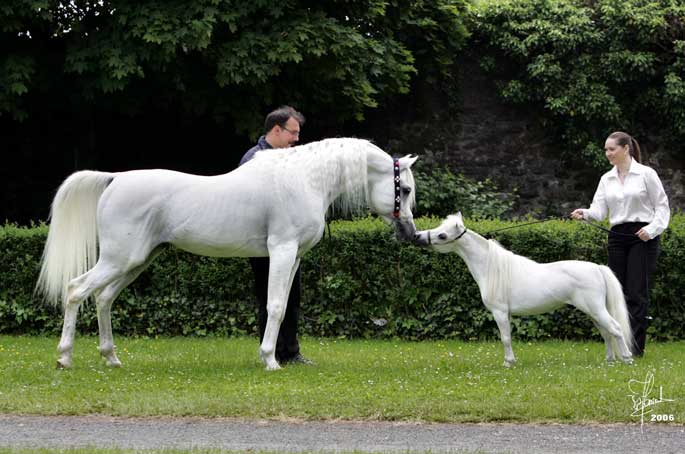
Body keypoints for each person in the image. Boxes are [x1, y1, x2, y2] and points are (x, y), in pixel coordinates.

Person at [571, 131, 670, 357]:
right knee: (616, 293)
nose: (607, 154)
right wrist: (584, 213)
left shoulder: (647, 174)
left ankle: (635, 350)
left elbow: (663, 207)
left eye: (611, 149)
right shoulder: (606, 179)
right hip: (616, 237)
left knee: (636, 293)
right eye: (606, 150)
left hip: (642, 236)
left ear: (626, 148)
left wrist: (652, 230)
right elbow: (599, 210)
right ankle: (619, 345)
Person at [239, 105, 313, 365]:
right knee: (268, 297)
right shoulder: (254, 158)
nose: (296, 139)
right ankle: (272, 350)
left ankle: (291, 352)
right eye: (293, 133)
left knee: (292, 296)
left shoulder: (288, 158)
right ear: (276, 130)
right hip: (262, 244)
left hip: (287, 240)